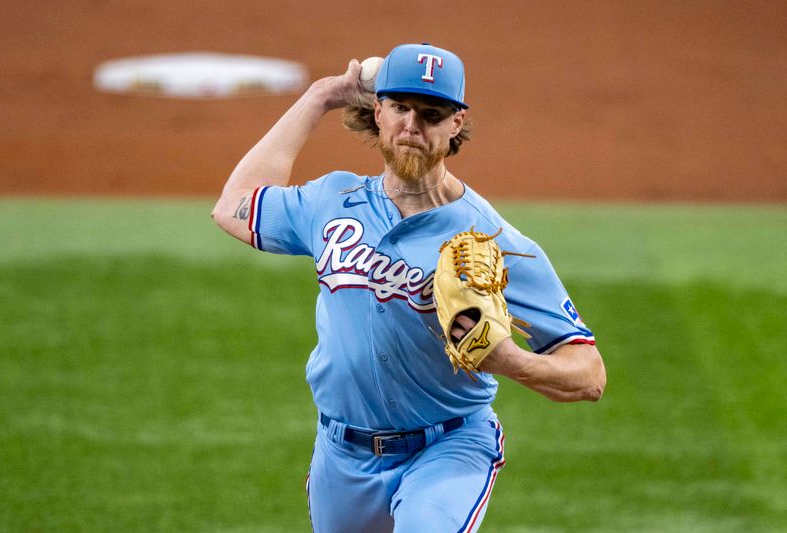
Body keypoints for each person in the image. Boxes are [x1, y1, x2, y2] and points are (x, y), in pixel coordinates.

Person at [212, 43, 606, 532]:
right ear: (377, 112)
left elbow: (588, 375)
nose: (412, 126)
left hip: (448, 448)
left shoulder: (493, 239)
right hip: (340, 454)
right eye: (399, 108)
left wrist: (509, 361)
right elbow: (234, 207)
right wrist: (321, 95)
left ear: (455, 123)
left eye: (431, 113)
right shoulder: (332, 201)